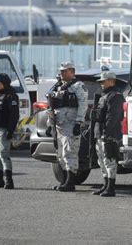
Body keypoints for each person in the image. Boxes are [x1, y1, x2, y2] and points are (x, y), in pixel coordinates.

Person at [47, 62, 88, 192]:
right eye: (61, 71)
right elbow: (52, 107)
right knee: (60, 154)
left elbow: (83, 104)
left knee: (70, 152)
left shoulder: (78, 86)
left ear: (72, 71)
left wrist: (79, 122)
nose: (62, 73)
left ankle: (70, 182)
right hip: (58, 125)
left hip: (71, 124)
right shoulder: (58, 86)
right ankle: (64, 181)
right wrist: (50, 124)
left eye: (65, 71)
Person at [92, 71, 125, 197]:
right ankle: (105, 185)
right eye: (100, 82)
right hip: (100, 132)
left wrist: (107, 133)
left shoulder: (115, 96)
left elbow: (113, 117)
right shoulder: (105, 95)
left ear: (111, 81)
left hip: (109, 133)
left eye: (103, 81)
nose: (101, 84)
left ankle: (111, 187)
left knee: (109, 160)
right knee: (102, 160)